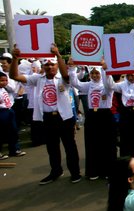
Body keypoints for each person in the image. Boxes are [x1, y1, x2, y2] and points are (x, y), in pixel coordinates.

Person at [9, 44, 81, 184]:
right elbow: (14, 76)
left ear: (56, 65)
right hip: (47, 118)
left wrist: (59, 55)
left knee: (70, 146)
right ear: (43, 66)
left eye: (52, 64)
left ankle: (75, 172)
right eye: (46, 65)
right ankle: (55, 171)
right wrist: (15, 58)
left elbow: (66, 75)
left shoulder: (63, 79)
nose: (49, 67)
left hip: (64, 118)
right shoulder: (37, 79)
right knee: (52, 148)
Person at [68, 60, 116, 180]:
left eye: (97, 73)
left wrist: (105, 69)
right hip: (92, 116)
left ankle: (108, 171)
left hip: (105, 115)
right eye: (92, 73)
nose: (94, 75)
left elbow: (109, 83)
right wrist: (72, 68)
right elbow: (75, 83)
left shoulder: (107, 86)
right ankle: (94, 170)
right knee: (92, 143)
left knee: (107, 144)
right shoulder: (88, 85)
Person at [0, 71, 26, 160]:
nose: (4, 82)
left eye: (5, 80)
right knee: (2, 133)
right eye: (1, 81)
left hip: (9, 110)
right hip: (1, 112)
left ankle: (14, 149)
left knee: (13, 130)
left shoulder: (4, 89)